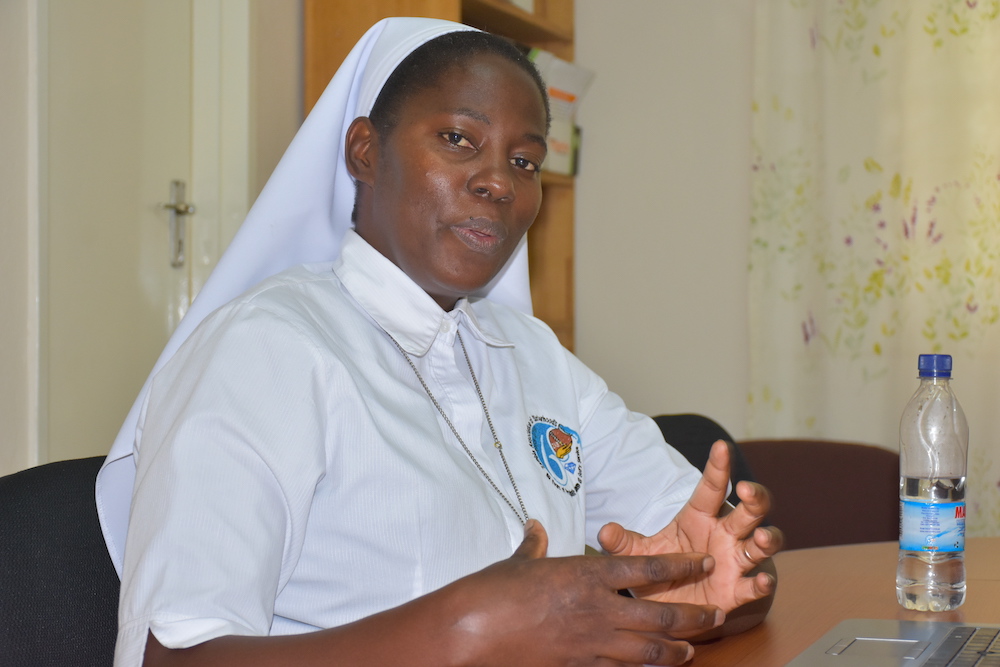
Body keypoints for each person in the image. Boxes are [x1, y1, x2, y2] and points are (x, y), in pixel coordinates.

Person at [99, 17, 782, 667]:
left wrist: (712, 587)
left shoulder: (532, 353)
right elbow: (172, 656)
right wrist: (469, 629)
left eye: (524, 160)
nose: (498, 182)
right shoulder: (262, 353)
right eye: (459, 139)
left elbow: (717, 560)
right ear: (364, 149)